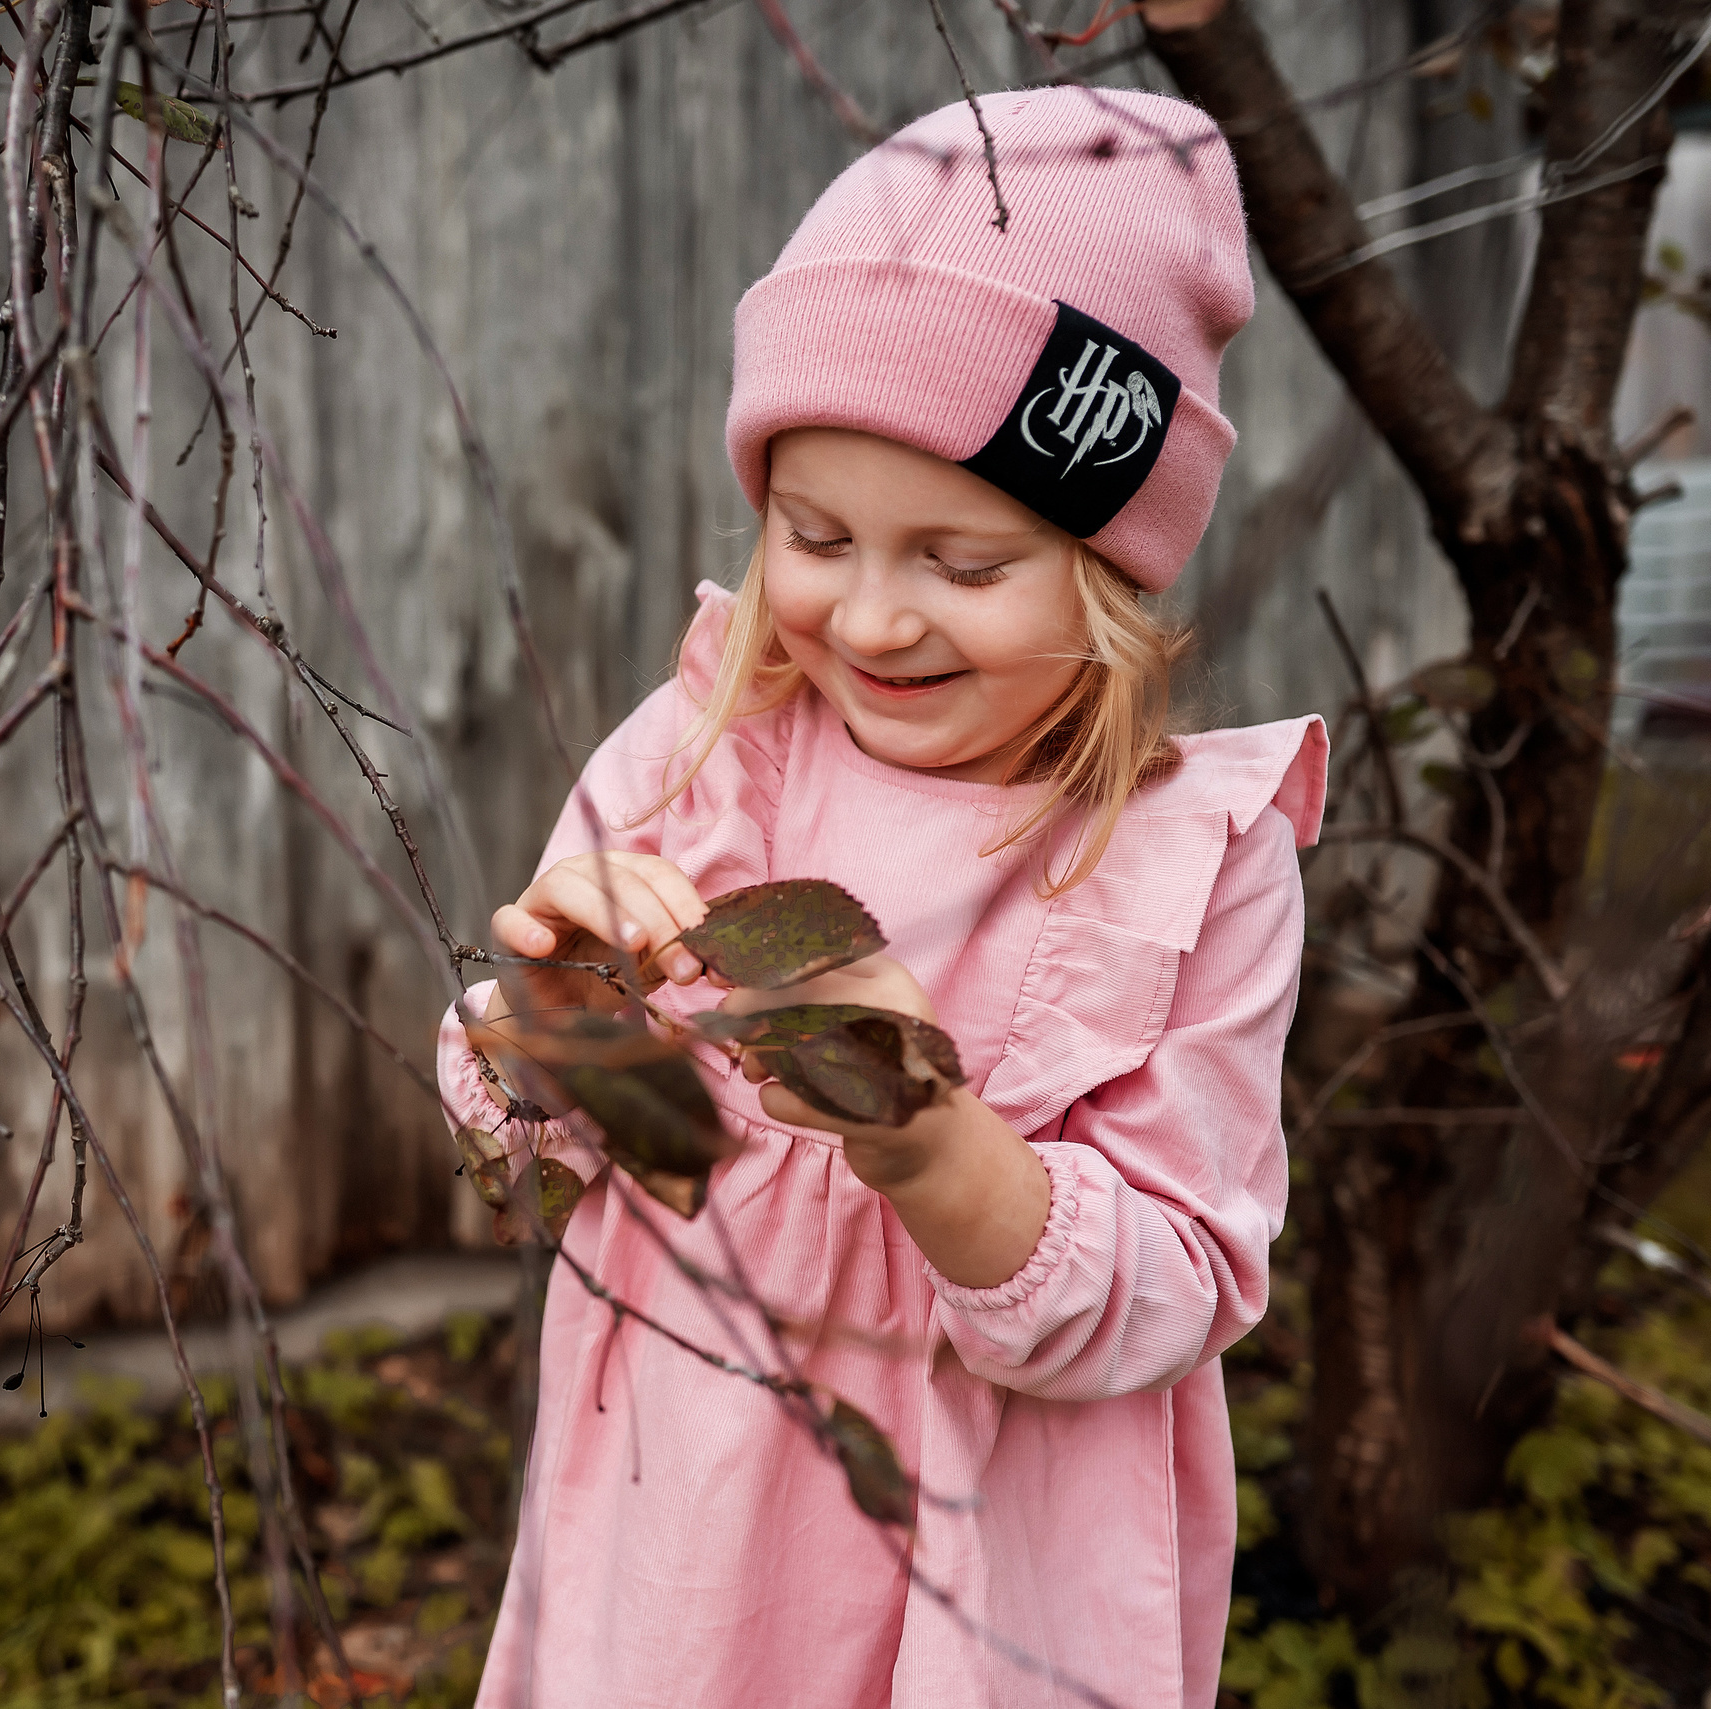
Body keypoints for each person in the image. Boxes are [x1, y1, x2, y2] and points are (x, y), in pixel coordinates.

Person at [437, 86, 1328, 1709]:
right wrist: (558, 1024)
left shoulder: (1196, 858)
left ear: (1116, 562)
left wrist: (929, 1141)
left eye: (963, 562)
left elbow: (1186, 1281)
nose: (869, 613)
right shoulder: (721, 746)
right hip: (688, 1551)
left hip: (997, 1582)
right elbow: (551, 1138)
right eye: (816, 531)